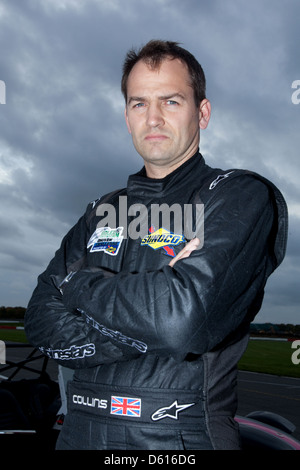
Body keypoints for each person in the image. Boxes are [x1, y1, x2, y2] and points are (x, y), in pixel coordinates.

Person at [25, 40, 288, 450]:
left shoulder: (237, 195)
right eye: (138, 104)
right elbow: (40, 321)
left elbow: (181, 320)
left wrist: (76, 286)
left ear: (202, 113)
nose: (153, 118)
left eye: (170, 101)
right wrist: (149, 318)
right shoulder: (101, 211)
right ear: (126, 118)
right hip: (76, 433)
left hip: (177, 437)